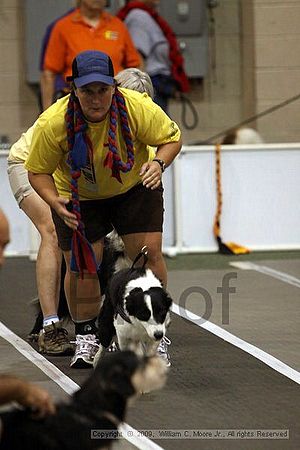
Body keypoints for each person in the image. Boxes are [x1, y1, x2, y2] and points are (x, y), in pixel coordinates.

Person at [25, 50, 182, 368]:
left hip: (133, 187)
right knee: (83, 264)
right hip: (77, 193)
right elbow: (37, 171)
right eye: (87, 91)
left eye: (102, 90)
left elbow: (171, 138)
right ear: (74, 89)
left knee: (148, 255)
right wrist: (53, 200)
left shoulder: (137, 107)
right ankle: (87, 336)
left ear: (114, 87)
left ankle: (157, 332)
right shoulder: (53, 122)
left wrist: (158, 162)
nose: (95, 99)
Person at [41, 0, 141, 110]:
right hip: (77, 101)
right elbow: (49, 73)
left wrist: (138, 104)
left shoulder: (118, 26)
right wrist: (47, 111)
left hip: (115, 100)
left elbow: (136, 66)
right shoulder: (63, 27)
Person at [117, 0, 189, 113]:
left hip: (159, 88)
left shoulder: (148, 17)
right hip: (150, 90)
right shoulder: (138, 17)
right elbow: (137, 60)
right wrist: (140, 96)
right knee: (158, 129)